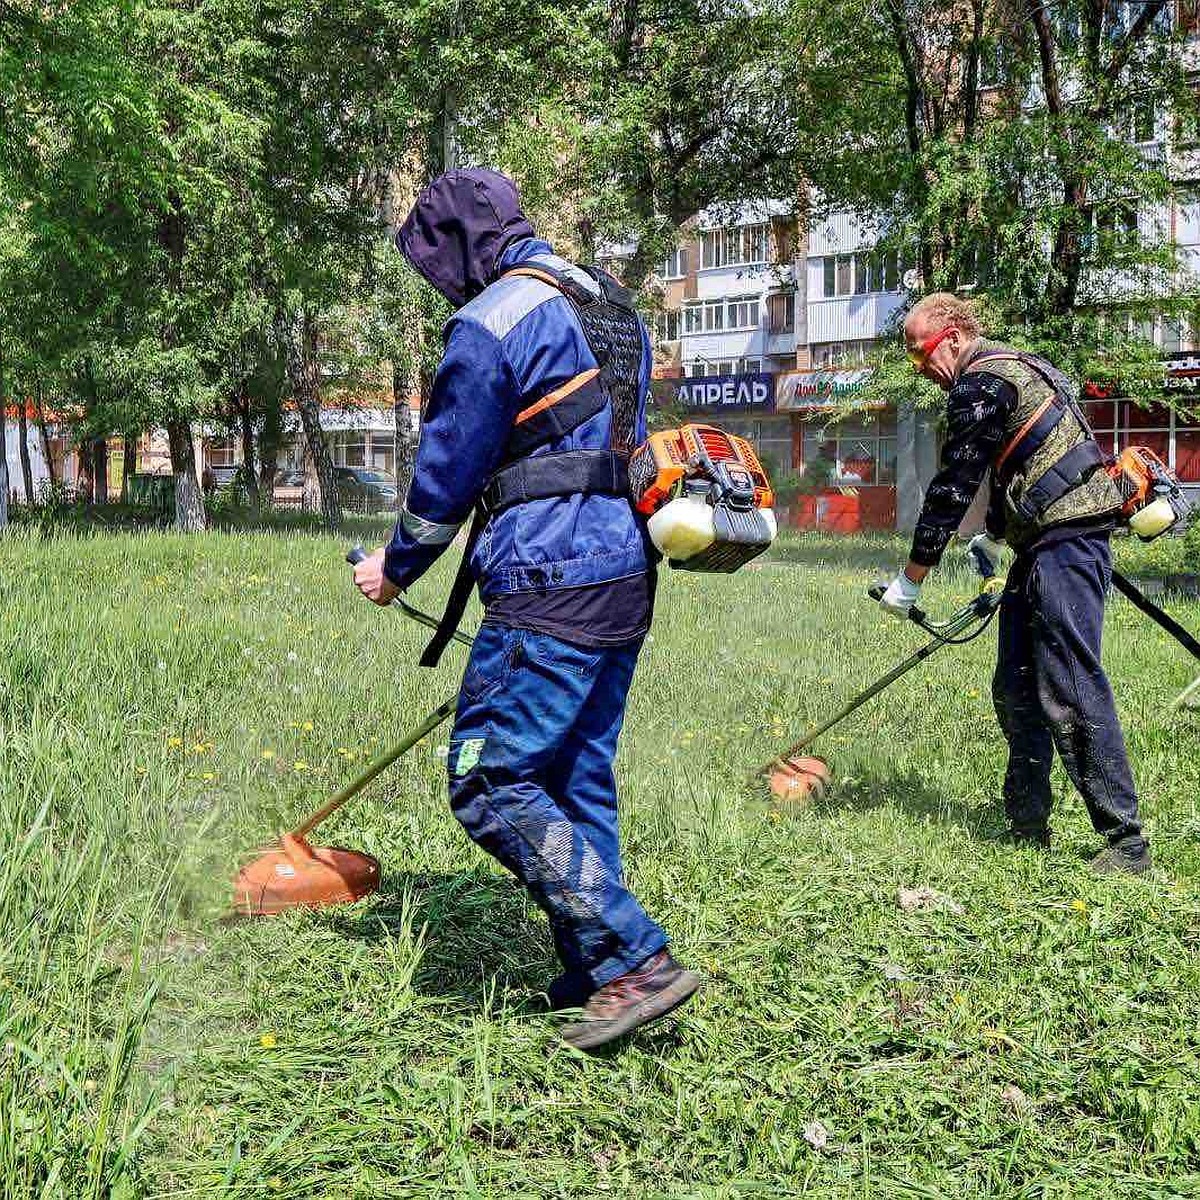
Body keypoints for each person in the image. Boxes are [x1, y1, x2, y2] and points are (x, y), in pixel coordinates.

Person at [352, 168, 700, 1047]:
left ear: (458, 247)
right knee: (576, 774)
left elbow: (446, 474)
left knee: (489, 777)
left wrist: (396, 568)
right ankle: (597, 971)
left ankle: (633, 960)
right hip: (627, 566)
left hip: (546, 575)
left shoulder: (490, 321)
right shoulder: (607, 301)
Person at [879, 293, 1149, 875]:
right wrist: (995, 536)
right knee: (1016, 683)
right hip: (1044, 541)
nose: (919, 366)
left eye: (919, 351)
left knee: (1068, 680)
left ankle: (1126, 842)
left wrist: (910, 580)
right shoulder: (1013, 369)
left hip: (1068, 539)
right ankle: (1027, 823)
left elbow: (953, 486)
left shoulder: (981, 383)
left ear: (951, 336)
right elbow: (1021, 463)